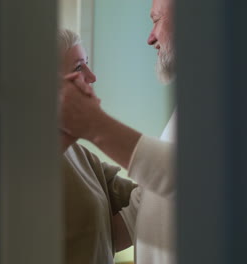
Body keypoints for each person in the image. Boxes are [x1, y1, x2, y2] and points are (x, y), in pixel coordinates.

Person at [59, 0, 177, 263]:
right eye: (79, 67)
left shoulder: (81, 157)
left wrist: (95, 125)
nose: (150, 37)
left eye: (157, 19)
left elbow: (152, 196)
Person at [58, 29, 137, 264]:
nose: (92, 77)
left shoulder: (79, 154)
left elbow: (145, 202)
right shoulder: (8, 157)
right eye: (79, 67)